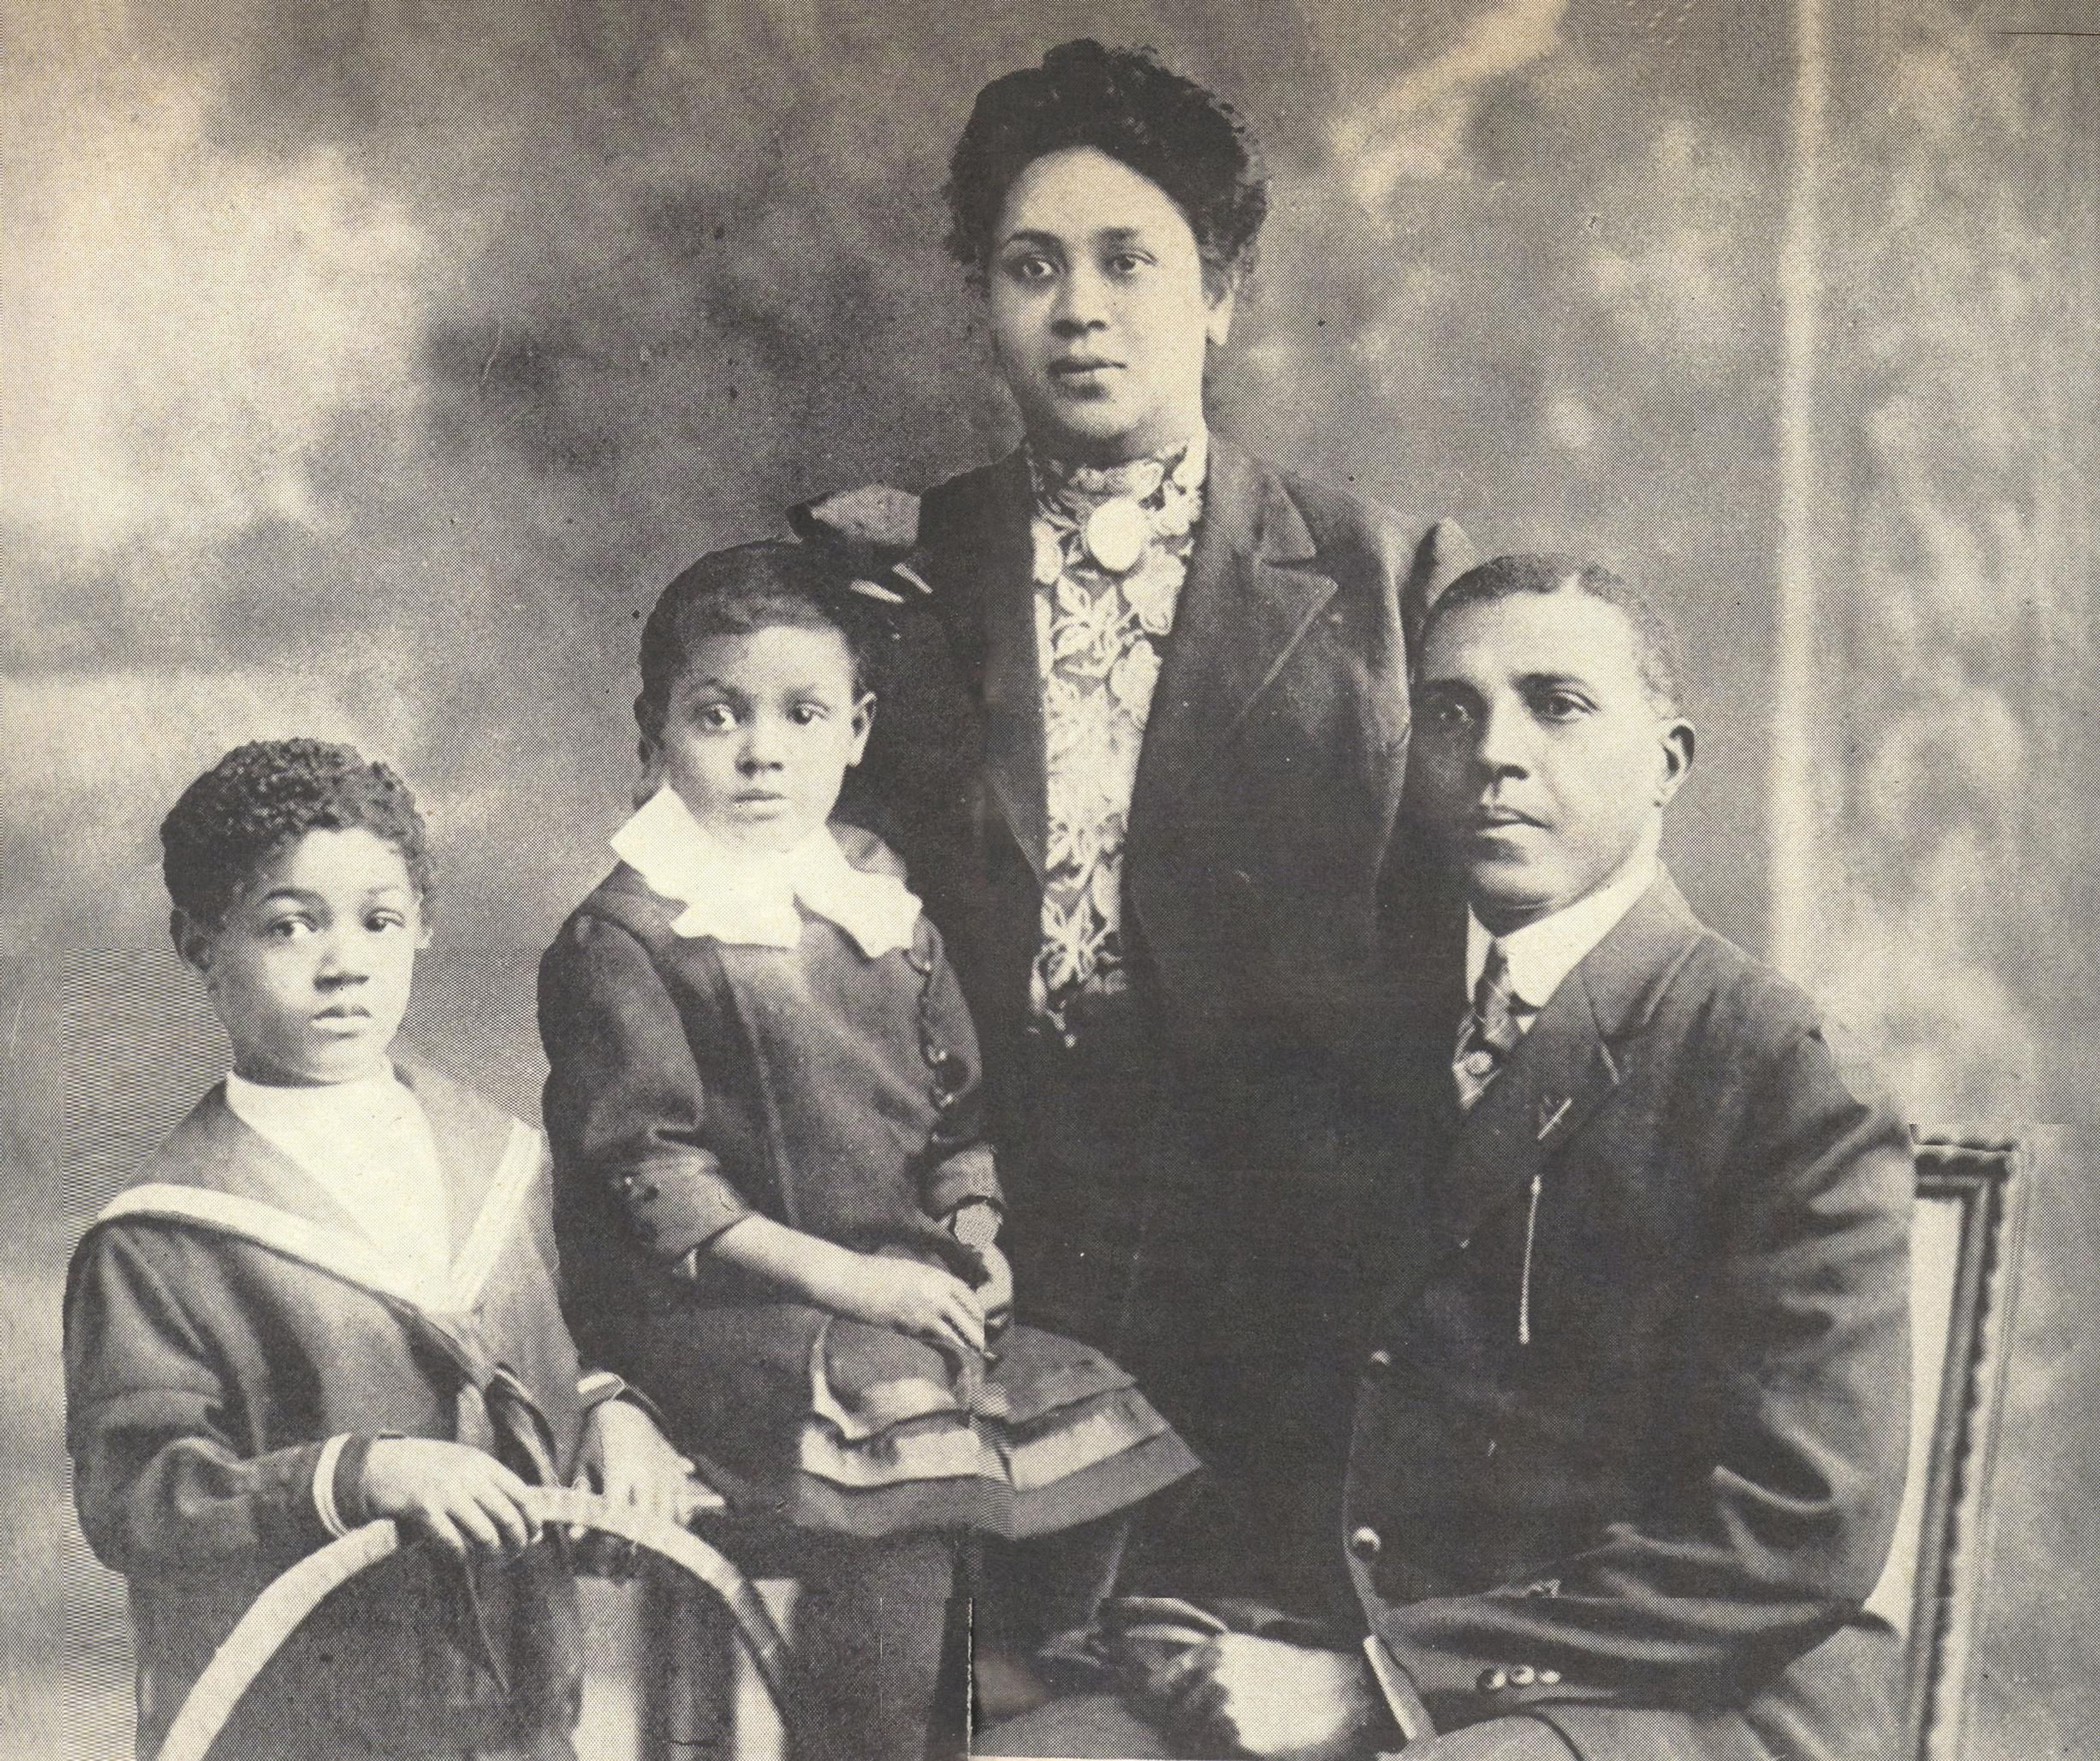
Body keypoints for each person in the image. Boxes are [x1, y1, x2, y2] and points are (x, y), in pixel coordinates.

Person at [982, 555, 1914, 1760]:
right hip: (1347, 1639)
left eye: (1558, 704)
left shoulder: (1782, 1071)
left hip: (1682, 1692)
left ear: (1669, 762)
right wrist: (1197, 1619)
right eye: (1452, 711)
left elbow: (1792, 1530)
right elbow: (1293, 1404)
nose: (1496, 752)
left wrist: (1375, 1683)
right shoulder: (1368, 1033)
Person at [796, 38, 1472, 1620]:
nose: (1080, 307)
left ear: (1221, 292)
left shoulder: (1388, 585)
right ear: (985, 300)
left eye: (1130, 261)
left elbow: (1450, 978)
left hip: (1288, 1289)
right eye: (1032, 266)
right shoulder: (885, 584)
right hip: (977, 1271)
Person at [535, 543, 1198, 1761]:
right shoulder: (628, 934)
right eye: (717, 714)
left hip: (893, 1300)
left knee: (1097, 1416)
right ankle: (864, 1739)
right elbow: (652, 1178)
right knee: (904, 1446)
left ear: (857, 730)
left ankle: (1009, 1712)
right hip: (716, 1313)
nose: (760, 751)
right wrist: (858, 1281)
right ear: (656, 733)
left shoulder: (881, 907)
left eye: (802, 715)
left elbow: (954, 1120)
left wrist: (976, 1239)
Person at [64, 738, 699, 1761]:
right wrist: (360, 1473)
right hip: (295, 1725)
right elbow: (142, 1500)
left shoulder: (500, 1164)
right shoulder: (163, 1238)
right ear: (199, 943)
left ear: (424, 930)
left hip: (514, 1715)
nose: (343, 962)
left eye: (378, 921)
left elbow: (554, 1348)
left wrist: (614, 1415)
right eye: (287, 926)